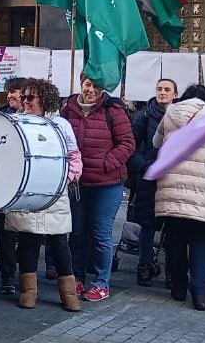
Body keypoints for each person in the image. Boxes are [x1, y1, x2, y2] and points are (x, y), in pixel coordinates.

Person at [152, 85, 205, 311]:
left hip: (172, 188)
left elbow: (155, 143)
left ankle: (178, 289)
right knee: (201, 243)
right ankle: (200, 295)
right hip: (204, 193)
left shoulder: (171, 113)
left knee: (175, 241)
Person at [8, 79, 83, 312]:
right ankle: (28, 291)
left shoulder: (61, 125)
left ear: (45, 99)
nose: (26, 102)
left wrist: (67, 179)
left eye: (31, 97)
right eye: (24, 97)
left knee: (59, 242)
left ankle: (68, 294)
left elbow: (74, 156)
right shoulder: (16, 121)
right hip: (26, 192)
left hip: (54, 192)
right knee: (28, 241)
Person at [61, 73, 134, 302]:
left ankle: (102, 282)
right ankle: (78, 278)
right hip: (78, 183)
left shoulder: (114, 110)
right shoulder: (68, 109)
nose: (91, 89)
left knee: (101, 233)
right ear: (81, 84)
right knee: (77, 233)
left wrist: (107, 163)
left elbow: (127, 143)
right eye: (88, 84)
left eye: (96, 86)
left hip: (107, 183)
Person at [127, 78, 178, 287]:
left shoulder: (182, 115)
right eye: (159, 89)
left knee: (173, 227)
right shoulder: (144, 115)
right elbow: (130, 145)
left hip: (175, 178)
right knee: (147, 225)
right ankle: (145, 266)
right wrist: (144, 166)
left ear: (176, 94)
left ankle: (172, 270)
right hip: (149, 179)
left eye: (167, 90)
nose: (162, 93)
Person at [0, 76, 28, 293]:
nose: (10, 95)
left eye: (15, 91)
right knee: (6, 234)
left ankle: (25, 275)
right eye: (9, 91)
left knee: (25, 234)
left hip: (26, 184)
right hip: (4, 184)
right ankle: (7, 276)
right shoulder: (2, 115)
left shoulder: (36, 115)